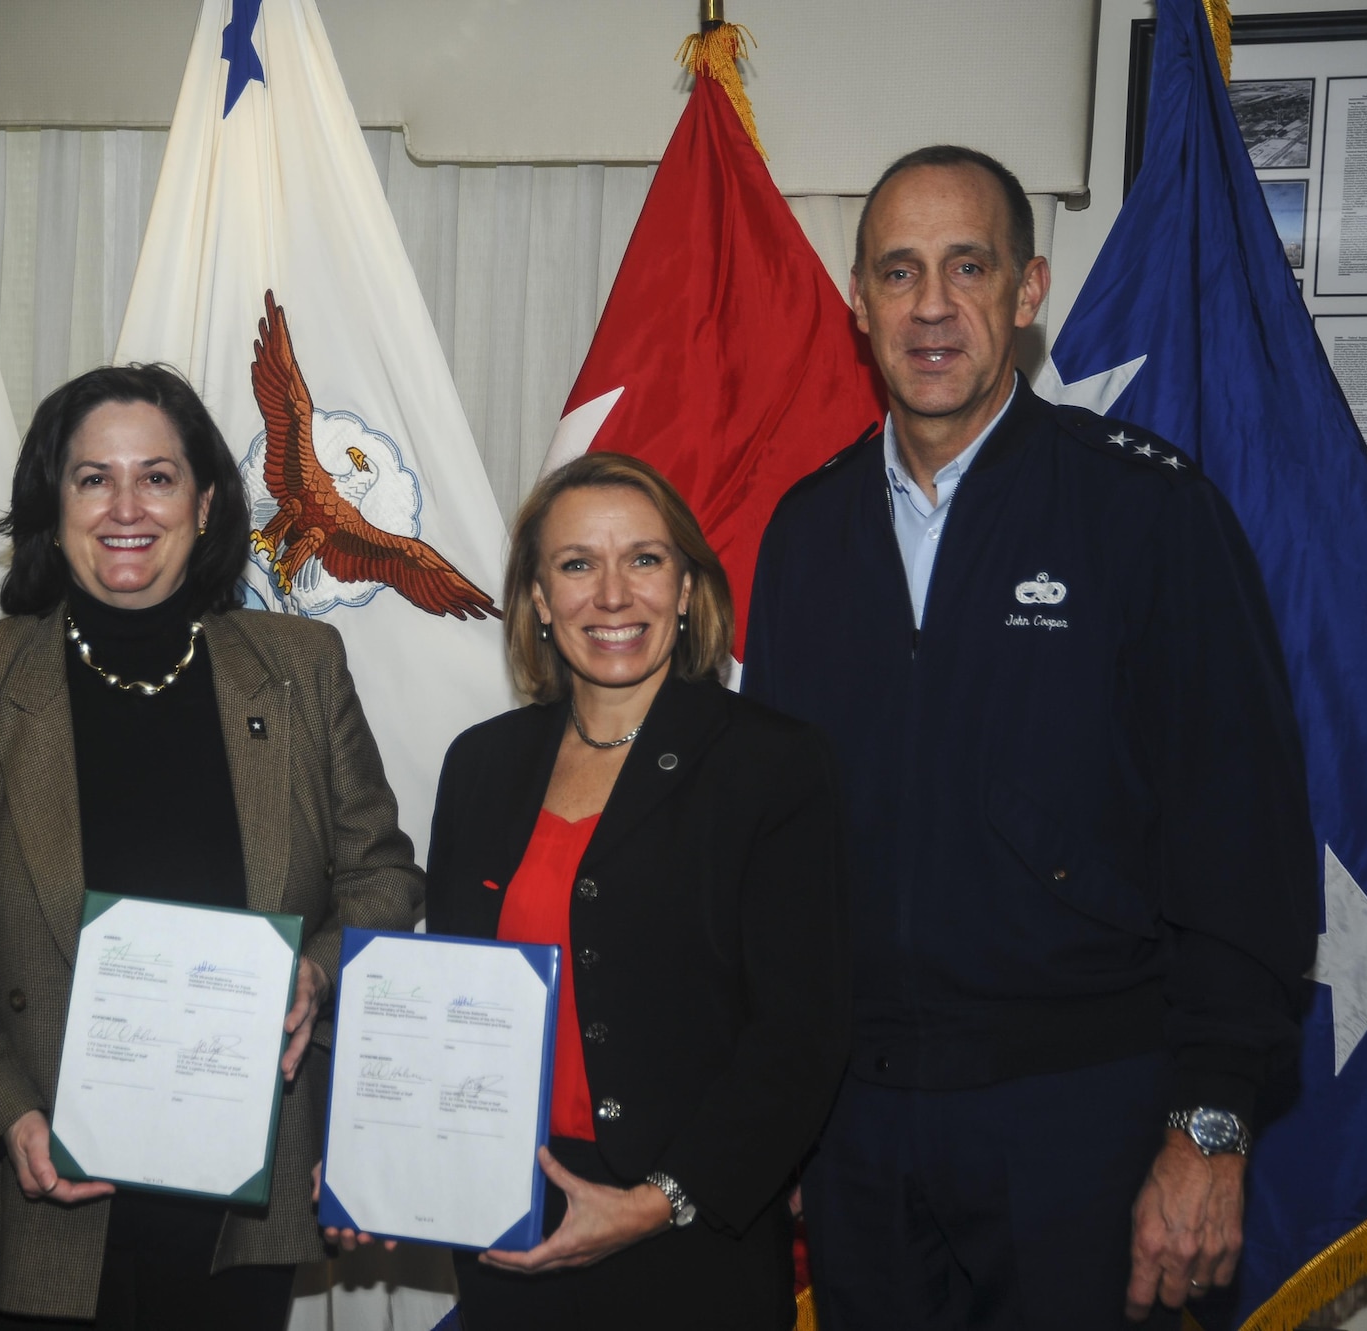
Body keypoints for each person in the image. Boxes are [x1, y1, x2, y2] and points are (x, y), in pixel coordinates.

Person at [744, 145, 1317, 1329]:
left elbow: (1242, 842)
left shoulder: (1145, 512)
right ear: (857, 303)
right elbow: (779, 852)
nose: (932, 306)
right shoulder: (804, 535)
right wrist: (784, 1107)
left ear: (1026, 289)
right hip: (857, 1131)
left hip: (1085, 1127)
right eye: (897, 273)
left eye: (967, 266)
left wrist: (1209, 1125)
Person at [0, 362, 424, 1329]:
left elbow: (381, 878)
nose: (128, 506)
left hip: (240, 1190)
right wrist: (2, 1113)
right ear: (53, 505)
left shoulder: (299, 666)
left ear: (204, 503)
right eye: (93, 478)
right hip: (32, 1179)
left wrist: (319, 978)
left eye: (157, 477)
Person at [414, 451, 850, 1328]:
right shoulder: (481, 764)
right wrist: (383, 1153)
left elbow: (802, 1035)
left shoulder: (773, 764)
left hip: (690, 1240)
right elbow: (449, 998)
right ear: (539, 599)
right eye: (577, 565)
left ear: (687, 588)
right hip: (512, 1222)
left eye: (644, 560)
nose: (612, 595)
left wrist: (658, 1200)